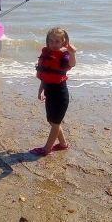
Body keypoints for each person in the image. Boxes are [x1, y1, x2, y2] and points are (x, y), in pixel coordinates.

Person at [30, 27, 77, 156]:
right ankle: (62, 144)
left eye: (57, 41)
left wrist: (72, 53)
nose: (53, 44)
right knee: (52, 121)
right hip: (49, 92)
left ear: (63, 42)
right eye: (51, 41)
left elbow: (71, 64)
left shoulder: (64, 56)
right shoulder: (47, 54)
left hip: (60, 93)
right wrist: (40, 90)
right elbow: (45, 76)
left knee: (55, 123)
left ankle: (46, 149)